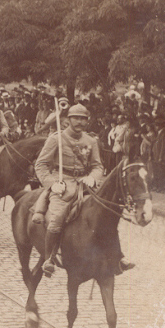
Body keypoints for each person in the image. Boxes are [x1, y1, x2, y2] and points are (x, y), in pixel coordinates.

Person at [32, 103, 134, 276]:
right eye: (76, 118)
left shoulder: (91, 141)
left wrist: (93, 177)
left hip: (85, 184)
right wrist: (52, 183)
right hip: (62, 184)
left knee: (107, 213)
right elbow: (40, 165)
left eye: (83, 119)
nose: (79, 122)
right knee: (56, 217)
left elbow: (97, 166)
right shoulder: (56, 138)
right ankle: (49, 258)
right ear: (69, 119)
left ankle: (117, 256)